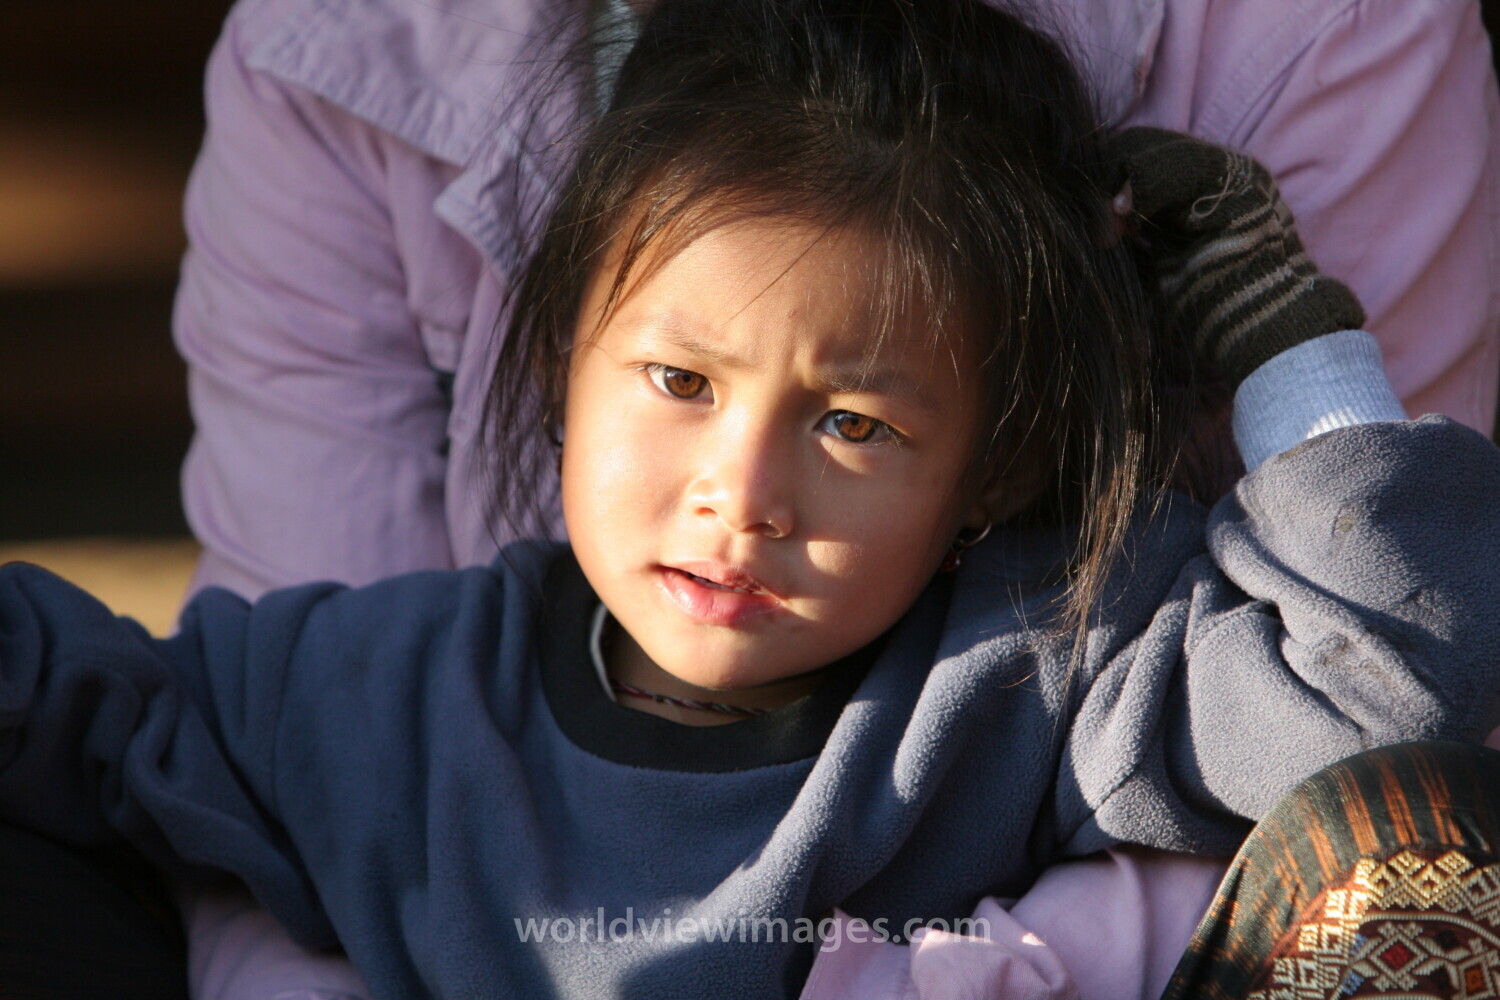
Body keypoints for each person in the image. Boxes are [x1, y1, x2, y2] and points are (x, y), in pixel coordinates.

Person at [3, 1, 1500, 996]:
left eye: (852, 422)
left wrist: (1286, 339)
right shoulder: (377, 686)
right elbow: (78, 701)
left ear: (994, 466)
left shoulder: (1039, 679)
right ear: (558, 359)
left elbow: (1385, 683)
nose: (741, 494)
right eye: (676, 384)